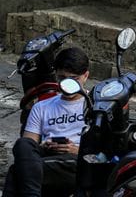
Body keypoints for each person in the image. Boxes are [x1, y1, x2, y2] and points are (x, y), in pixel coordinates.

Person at [3, 47, 90, 196]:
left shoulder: (95, 104)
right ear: (56, 75)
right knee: (22, 145)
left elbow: (105, 150)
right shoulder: (42, 107)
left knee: (17, 171)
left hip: (77, 163)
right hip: (47, 160)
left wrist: (76, 150)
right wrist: (45, 145)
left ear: (85, 76)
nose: (67, 85)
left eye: (73, 79)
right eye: (62, 78)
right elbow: (28, 146)